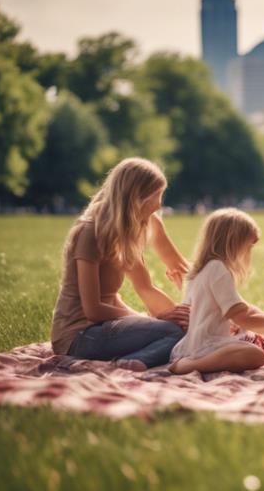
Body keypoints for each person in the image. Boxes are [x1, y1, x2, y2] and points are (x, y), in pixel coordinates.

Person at [50, 158, 190, 371]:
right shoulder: (90, 233)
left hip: (103, 329)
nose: (160, 204)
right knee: (173, 334)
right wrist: (149, 319)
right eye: (156, 196)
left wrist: (167, 319)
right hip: (77, 336)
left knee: (177, 331)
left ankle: (137, 357)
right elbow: (93, 310)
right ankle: (137, 360)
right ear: (135, 198)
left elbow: (120, 295)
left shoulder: (125, 232)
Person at [169, 208, 264, 374]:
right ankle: (191, 366)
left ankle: (190, 363)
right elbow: (245, 318)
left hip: (191, 345)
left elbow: (240, 311)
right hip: (207, 346)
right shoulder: (218, 269)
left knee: (258, 344)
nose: (249, 253)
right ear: (233, 243)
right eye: (248, 247)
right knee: (255, 354)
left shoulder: (201, 271)